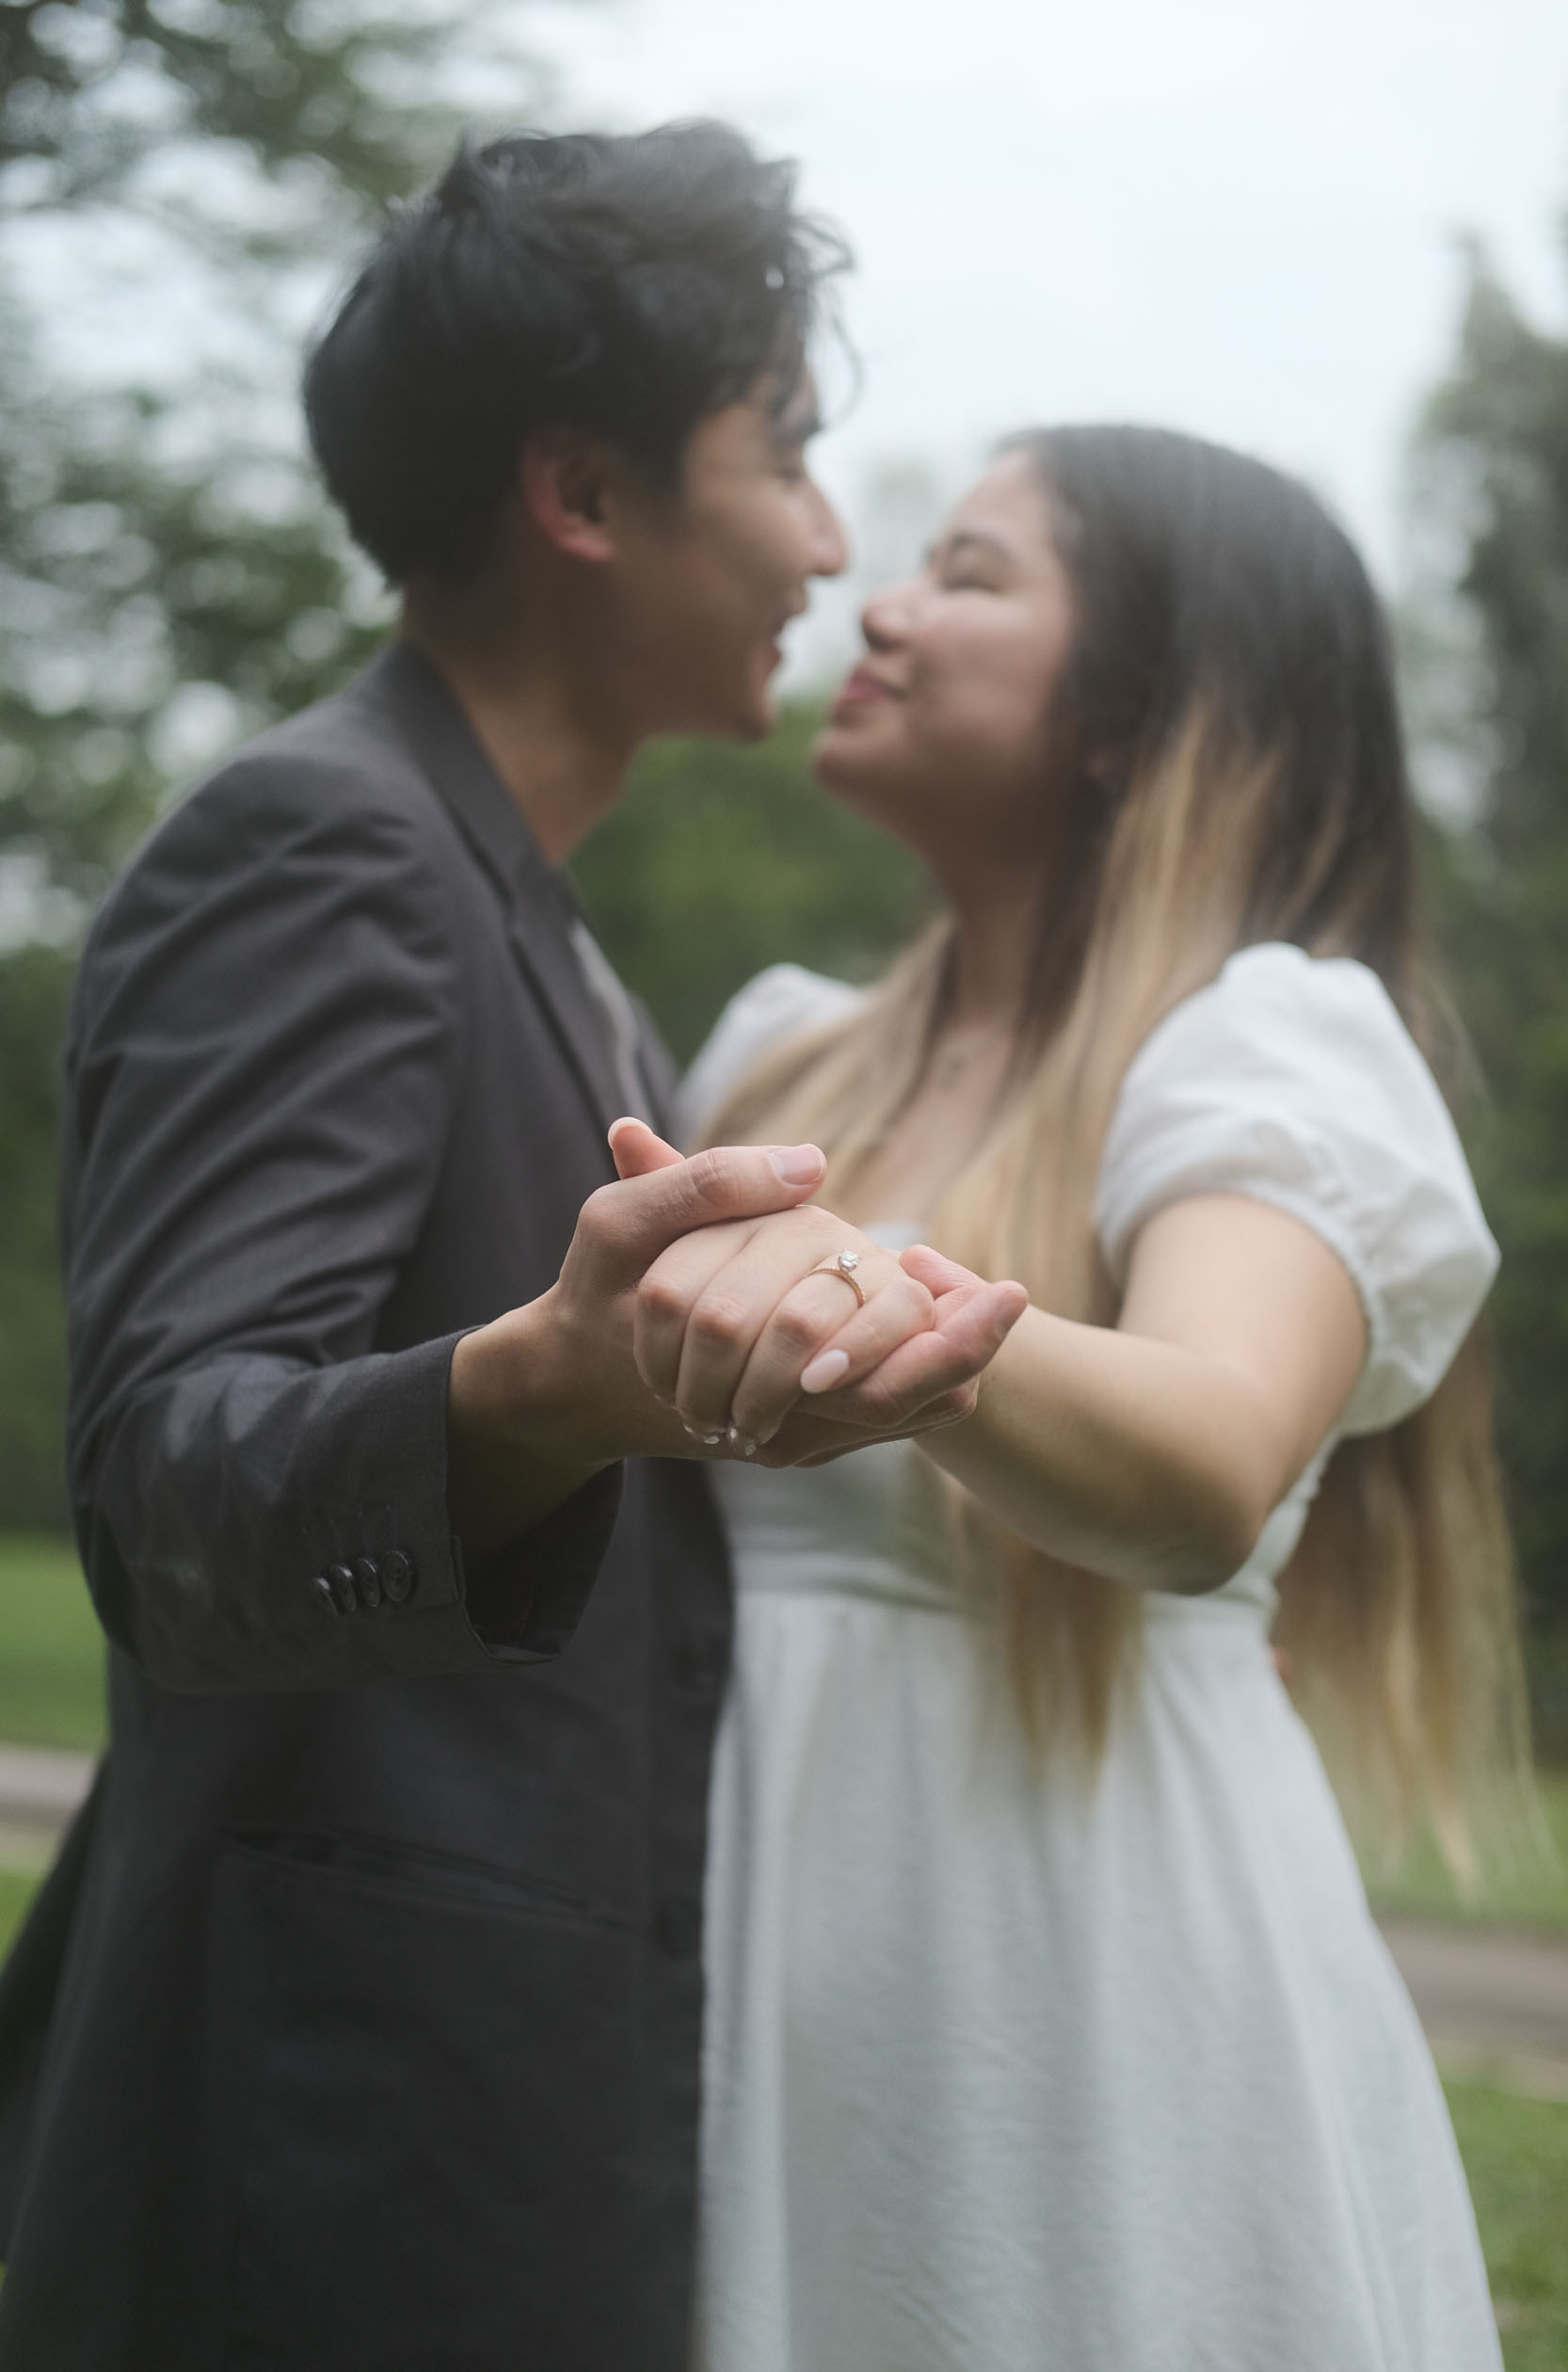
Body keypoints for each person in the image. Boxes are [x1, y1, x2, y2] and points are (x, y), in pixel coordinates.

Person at [0, 126, 1022, 2370]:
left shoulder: (551, 942)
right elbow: (174, 1503)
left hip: (500, 2115)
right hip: (323, 2156)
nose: (831, 545)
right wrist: (552, 1383)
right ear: (582, 489)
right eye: (791, 453)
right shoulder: (324, 845)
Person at [675, 425, 1527, 2371]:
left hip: (1078, 1999)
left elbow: (1210, 1459)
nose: (879, 605)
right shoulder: (774, 1059)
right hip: (738, 1967)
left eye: (971, 574)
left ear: (1134, 710)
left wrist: (871, 1303)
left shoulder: (1269, 1047)